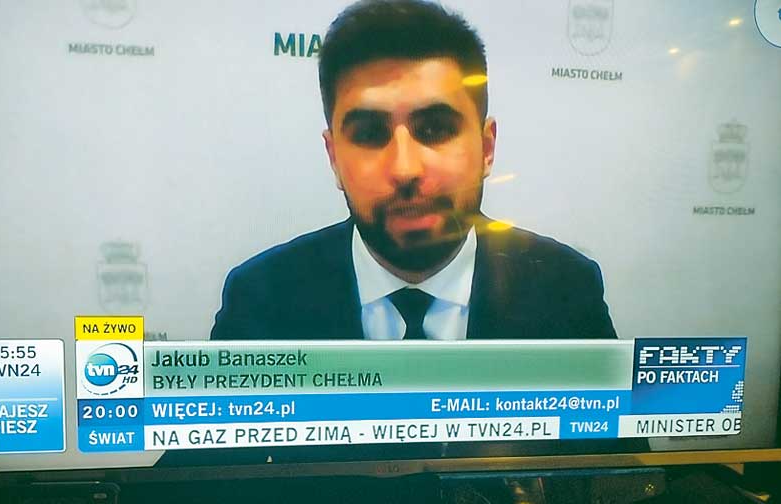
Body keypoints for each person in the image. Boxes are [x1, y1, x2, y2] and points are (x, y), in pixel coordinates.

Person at [211, 0, 617, 342]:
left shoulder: (566, 290)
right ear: (334, 158)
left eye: (435, 130)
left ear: (487, 148)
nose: (405, 169)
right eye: (370, 134)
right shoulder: (260, 301)